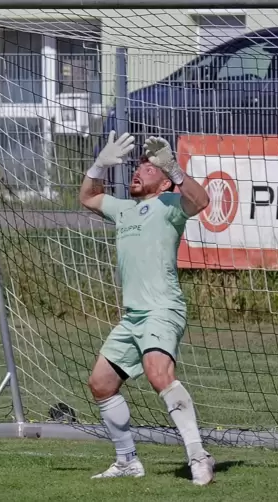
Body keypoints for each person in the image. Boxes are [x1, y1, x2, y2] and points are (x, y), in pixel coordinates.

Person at [78, 131, 214, 485]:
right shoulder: (124, 209)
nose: (139, 171)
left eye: (149, 168)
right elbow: (89, 196)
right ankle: (127, 462)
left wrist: (175, 169)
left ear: (166, 180)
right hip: (133, 316)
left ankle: (199, 456)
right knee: (101, 384)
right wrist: (98, 165)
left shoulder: (170, 206)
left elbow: (201, 201)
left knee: (158, 375)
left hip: (162, 309)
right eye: (138, 167)